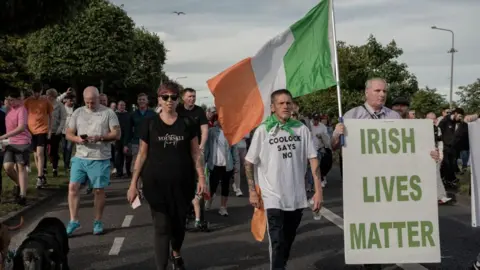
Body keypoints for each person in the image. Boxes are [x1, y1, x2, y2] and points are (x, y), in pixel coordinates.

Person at [127, 81, 207, 270]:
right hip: (155, 183)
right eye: (165, 97)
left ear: (178, 99)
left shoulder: (187, 122)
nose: (169, 101)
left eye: (173, 97)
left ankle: (176, 252)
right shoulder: (150, 123)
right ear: (159, 100)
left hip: (183, 183)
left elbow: (195, 152)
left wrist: (202, 177)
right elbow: (142, 154)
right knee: (161, 227)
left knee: (178, 227)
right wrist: (133, 183)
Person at [245, 89, 323, 270]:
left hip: (296, 196)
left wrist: (318, 191)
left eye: (288, 102)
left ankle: (281, 264)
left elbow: (313, 159)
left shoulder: (301, 129)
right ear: (272, 107)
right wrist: (252, 191)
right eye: (281, 103)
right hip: (272, 196)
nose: (286, 106)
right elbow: (249, 162)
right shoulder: (264, 130)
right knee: (277, 241)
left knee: (287, 240)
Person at [65, 87, 121, 236]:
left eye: (93, 102)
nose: (90, 105)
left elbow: (117, 133)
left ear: (98, 98)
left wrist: (100, 137)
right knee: (73, 188)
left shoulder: (108, 113)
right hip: (80, 157)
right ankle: (74, 221)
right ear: (84, 100)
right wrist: (77, 139)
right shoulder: (78, 112)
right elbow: (68, 133)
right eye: (87, 102)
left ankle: (97, 221)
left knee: (98, 190)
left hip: (100, 157)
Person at [1, 88, 32, 205]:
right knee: (8, 167)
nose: (10, 102)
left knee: (21, 167)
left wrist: (4, 136)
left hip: (22, 142)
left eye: (12, 100)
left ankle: (22, 195)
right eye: (9, 100)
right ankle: (20, 184)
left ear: (19, 100)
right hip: (10, 142)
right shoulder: (9, 110)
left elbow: (21, 128)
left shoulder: (22, 110)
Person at [204, 115, 240, 216]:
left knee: (225, 187)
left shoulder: (230, 132)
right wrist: (204, 161)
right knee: (212, 186)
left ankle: (223, 207)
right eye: (221, 119)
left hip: (227, 165)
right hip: (214, 164)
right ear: (217, 120)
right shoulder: (211, 131)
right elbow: (207, 147)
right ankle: (209, 200)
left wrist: (236, 164)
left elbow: (234, 149)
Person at [23, 81, 53, 188]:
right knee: (35, 154)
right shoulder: (27, 102)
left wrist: (50, 130)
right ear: (31, 91)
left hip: (42, 130)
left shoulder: (46, 101)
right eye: (34, 92)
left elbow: (50, 116)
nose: (36, 95)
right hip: (31, 131)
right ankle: (42, 175)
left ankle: (40, 177)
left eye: (38, 92)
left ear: (41, 91)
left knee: (40, 153)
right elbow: (23, 115)